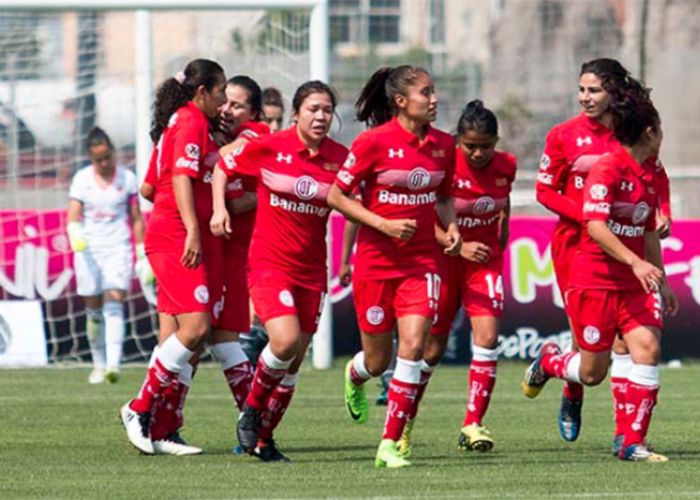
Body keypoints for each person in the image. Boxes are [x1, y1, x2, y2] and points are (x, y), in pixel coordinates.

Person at [522, 80, 678, 462]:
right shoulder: (608, 170)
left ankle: (630, 442)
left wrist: (663, 280)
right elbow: (595, 226)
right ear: (649, 132)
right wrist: (634, 261)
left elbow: (647, 232)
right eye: (660, 129)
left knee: (648, 348)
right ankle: (550, 361)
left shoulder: (648, 173)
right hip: (595, 280)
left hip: (634, 283)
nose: (662, 136)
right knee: (593, 372)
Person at [327, 65, 461, 468]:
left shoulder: (443, 145)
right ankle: (355, 375)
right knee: (377, 361)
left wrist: (451, 225)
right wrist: (383, 223)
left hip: (422, 263)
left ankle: (390, 442)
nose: (434, 99)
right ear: (401, 102)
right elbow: (337, 196)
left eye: (434, 91)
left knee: (415, 346)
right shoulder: (372, 143)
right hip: (375, 263)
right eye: (426, 92)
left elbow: (443, 196)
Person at [211, 80, 348, 462]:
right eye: (313, 109)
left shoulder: (341, 156)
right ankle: (251, 413)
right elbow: (223, 166)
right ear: (296, 114)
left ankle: (263, 439)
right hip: (270, 263)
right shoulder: (272, 145)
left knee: (294, 361)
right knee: (284, 341)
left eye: (327, 110)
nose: (321, 116)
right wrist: (221, 210)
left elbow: (355, 201)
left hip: (312, 271)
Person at [119, 59, 227, 456]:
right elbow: (180, 177)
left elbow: (150, 187)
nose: (224, 102)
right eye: (221, 93)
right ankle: (139, 407)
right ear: (203, 93)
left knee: (175, 339)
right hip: (177, 238)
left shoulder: (177, 124)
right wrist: (193, 227)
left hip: (170, 231)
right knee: (196, 329)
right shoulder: (192, 121)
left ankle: (164, 427)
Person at [397, 100, 515, 456]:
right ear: (458, 141)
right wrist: (456, 246)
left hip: (484, 265)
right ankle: (404, 426)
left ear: (496, 142)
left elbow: (503, 205)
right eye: (471, 146)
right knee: (430, 350)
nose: (478, 153)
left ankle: (473, 423)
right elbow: (421, 215)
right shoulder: (442, 160)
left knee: (488, 337)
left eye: (486, 145)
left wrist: (498, 246)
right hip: (443, 261)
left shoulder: (507, 165)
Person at [67, 127, 146, 385]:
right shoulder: (82, 179)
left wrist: (139, 249)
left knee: (114, 302)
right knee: (93, 311)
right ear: (91, 158)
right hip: (89, 250)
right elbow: (73, 216)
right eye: (98, 159)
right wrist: (75, 232)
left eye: (107, 157)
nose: (103, 163)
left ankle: (114, 364)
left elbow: (136, 218)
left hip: (117, 247)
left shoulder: (127, 178)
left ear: (113, 153)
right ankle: (98, 363)